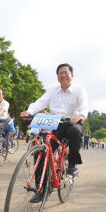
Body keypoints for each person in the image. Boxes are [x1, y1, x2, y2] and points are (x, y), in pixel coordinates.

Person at [20, 63, 88, 203]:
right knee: (41, 153)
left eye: (66, 72)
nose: (63, 75)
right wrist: (29, 111)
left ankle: (72, 164)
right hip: (55, 124)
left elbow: (83, 106)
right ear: (57, 77)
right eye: (60, 73)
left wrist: (80, 115)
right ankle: (41, 189)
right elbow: (40, 103)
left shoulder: (79, 90)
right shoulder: (52, 91)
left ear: (72, 75)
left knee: (75, 131)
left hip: (72, 123)